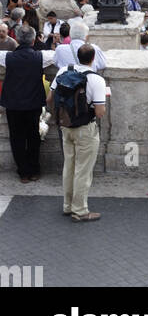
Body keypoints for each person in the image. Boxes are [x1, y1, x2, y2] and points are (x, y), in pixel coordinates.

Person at [48, 42, 106, 222]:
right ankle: (80, 210)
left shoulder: (63, 71)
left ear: (77, 57)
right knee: (83, 171)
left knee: (69, 166)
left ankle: (67, 205)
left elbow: (50, 98)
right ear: (93, 59)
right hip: (85, 129)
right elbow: (100, 112)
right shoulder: (96, 79)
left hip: (65, 126)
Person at [0, 24, 47, 181]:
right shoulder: (41, 57)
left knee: (17, 137)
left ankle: (23, 171)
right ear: (33, 40)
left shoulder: (7, 57)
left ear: (18, 40)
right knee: (33, 135)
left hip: (13, 103)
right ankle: (34, 169)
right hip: (33, 103)